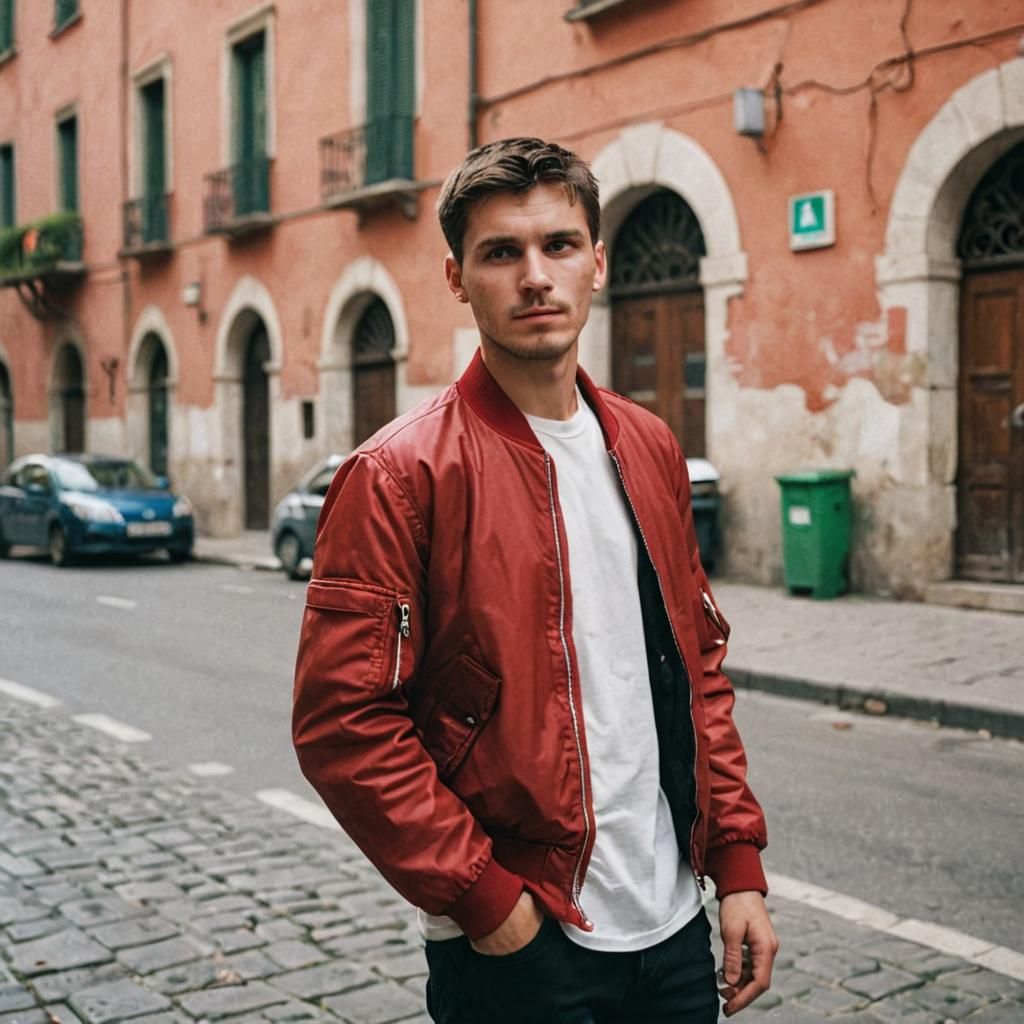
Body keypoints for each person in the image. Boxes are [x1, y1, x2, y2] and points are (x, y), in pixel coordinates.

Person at [292, 137, 777, 1023]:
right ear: (456, 278)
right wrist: (484, 899)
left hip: (671, 928)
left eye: (557, 245)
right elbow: (343, 724)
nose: (535, 276)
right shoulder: (399, 474)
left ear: (597, 261)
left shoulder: (648, 445)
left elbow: (697, 668)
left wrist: (736, 862)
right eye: (500, 253)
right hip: (524, 942)